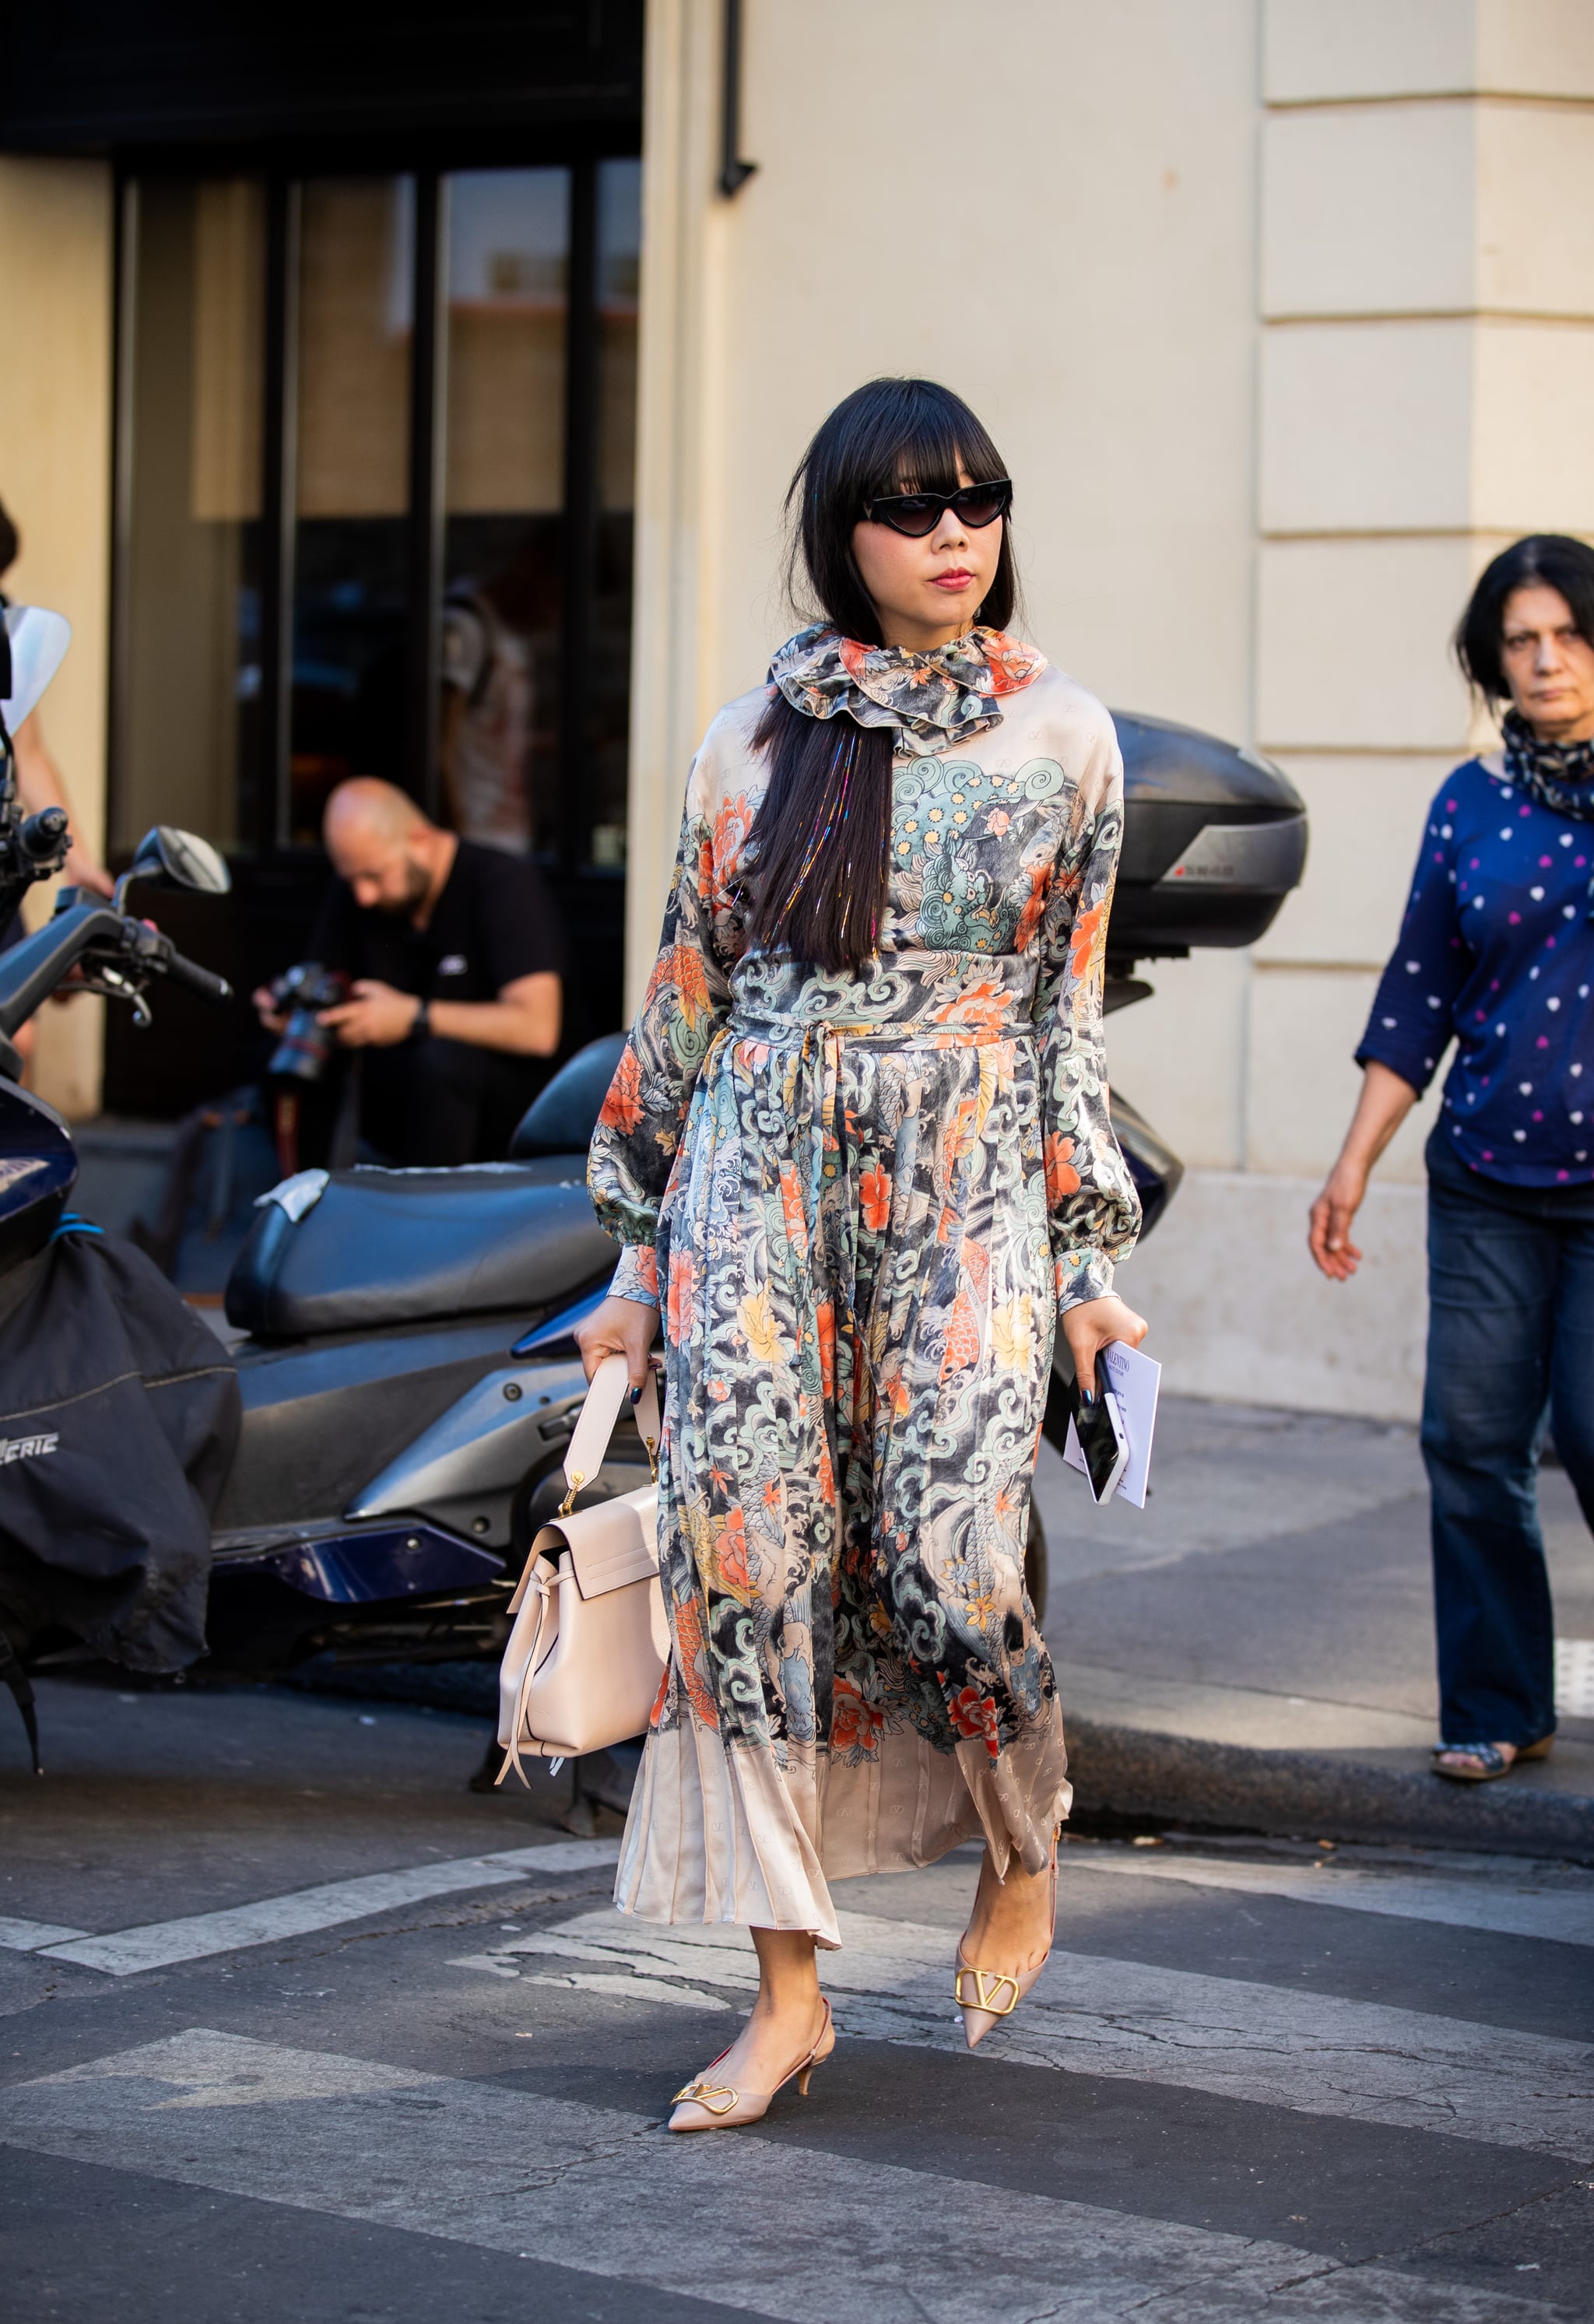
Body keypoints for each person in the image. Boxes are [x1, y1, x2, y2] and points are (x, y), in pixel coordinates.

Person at [578, 377, 1146, 2129]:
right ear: (846, 533)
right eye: (912, 506)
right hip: (753, 1170)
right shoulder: (752, 739)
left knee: (952, 1551)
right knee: (745, 1573)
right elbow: (682, 999)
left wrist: (1083, 1260)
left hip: (964, 1173)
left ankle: (1021, 1836)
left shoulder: (1065, 739)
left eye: (976, 498)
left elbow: (1064, 1017)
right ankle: (787, 1992)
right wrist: (627, 1268)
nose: (953, 532)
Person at [1310, 535, 1594, 1784]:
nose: (1546, 660)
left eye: (1570, 634)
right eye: (1521, 641)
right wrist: (1353, 1162)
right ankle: (1501, 1701)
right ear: (1494, 661)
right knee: (1471, 1440)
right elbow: (1418, 992)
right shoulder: (1471, 802)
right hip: (1486, 1174)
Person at [253, 778, 563, 1167]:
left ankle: (430, 1216)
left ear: (420, 840)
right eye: (352, 880)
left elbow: (538, 1029)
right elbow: (327, 978)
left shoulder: (502, 883)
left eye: (375, 876)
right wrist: (295, 1009)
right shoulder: (356, 888)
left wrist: (414, 1017)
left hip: (506, 1106)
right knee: (292, 1053)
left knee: (443, 1062)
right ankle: (308, 1201)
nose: (364, 895)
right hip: (399, 1099)